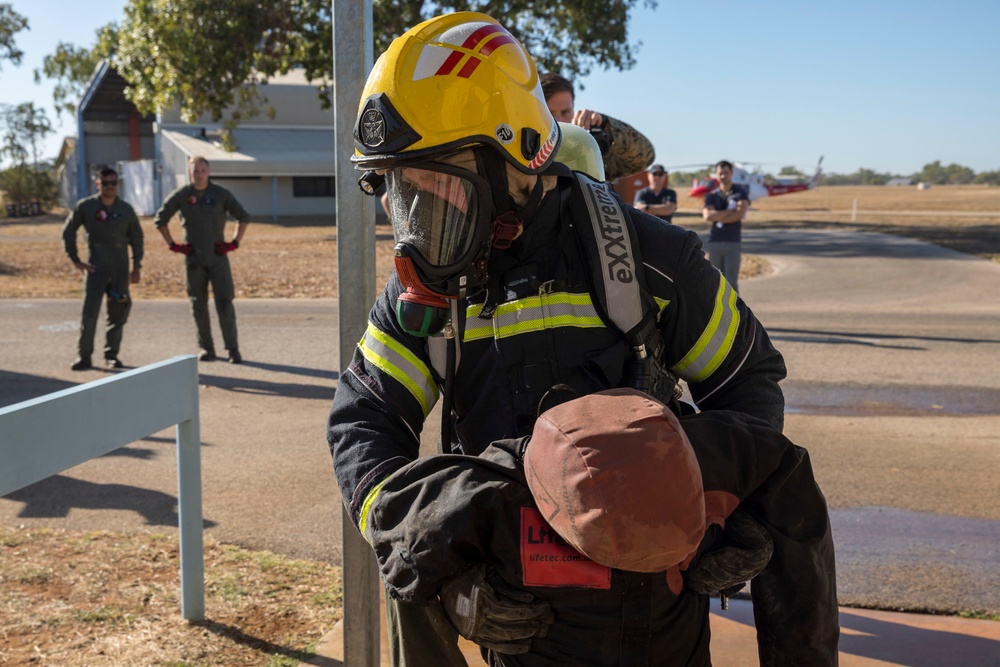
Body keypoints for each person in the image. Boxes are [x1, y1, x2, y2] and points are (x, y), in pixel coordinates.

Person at [328, 12, 787, 667]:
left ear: (512, 160)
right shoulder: (432, 292)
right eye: (403, 195)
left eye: (438, 188)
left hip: (659, 620)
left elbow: (748, 381)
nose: (417, 230)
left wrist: (731, 507)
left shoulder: (650, 260)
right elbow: (364, 419)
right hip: (520, 627)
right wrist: (440, 567)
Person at [369, 389, 839, 666]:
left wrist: (746, 524)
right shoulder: (489, 494)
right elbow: (399, 539)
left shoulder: (723, 452)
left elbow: (800, 541)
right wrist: (454, 598)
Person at [154, 156, 250, 363]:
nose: (199, 174)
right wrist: (173, 245)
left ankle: (232, 348)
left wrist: (234, 242)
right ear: (190, 173)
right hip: (194, 260)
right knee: (198, 304)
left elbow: (243, 216)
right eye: (195, 171)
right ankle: (207, 347)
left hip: (217, 257)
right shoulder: (182, 196)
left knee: (224, 302)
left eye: (202, 170)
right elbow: (160, 219)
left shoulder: (220, 194)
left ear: (208, 172)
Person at [62, 167, 144, 371]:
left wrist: (136, 267)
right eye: (105, 183)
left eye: (113, 183)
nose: (109, 187)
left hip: (119, 267)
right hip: (95, 267)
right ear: (97, 184)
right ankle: (84, 356)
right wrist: (75, 259)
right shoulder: (86, 207)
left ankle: (112, 354)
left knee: (118, 313)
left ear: (118, 184)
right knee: (89, 314)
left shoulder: (125, 209)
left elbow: (137, 238)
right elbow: (68, 231)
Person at [540, 72, 655, 182]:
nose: (559, 120)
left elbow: (644, 158)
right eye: (549, 113)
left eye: (565, 112)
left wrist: (608, 126)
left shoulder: (587, 152)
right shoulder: (525, 151)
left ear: (573, 107)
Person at [702, 160, 749, 293]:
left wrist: (718, 215)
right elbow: (707, 216)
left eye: (726, 173)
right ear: (716, 175)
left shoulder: (740, 192)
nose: (723, 176)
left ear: (731, 173)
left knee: (731, 282)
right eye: (720, 173)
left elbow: (739, 215)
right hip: (714, 243)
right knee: (715, 282)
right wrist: (729, 211)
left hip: (732, 242)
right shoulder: (711, 196)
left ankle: (736, 313)